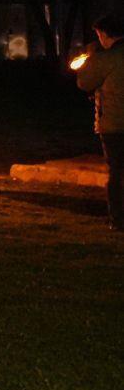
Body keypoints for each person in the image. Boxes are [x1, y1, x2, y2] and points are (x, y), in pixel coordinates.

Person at [73, 16, 124, 231]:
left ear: (103, 34)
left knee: (118, 173)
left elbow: (85, 82)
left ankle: (119, 218)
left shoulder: (107, 58)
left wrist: (91, 59)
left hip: (115, 123)